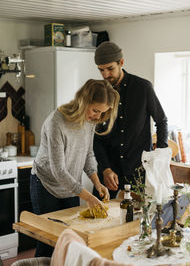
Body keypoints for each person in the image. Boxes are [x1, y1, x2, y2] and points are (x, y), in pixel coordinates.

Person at [30, 79, 119, 257]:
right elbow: (58, 171)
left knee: (69, 243)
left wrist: (97, 183)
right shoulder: (56, 122)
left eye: (102, 113)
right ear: (83, 100)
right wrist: (89, 197)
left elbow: (88, 154)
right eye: (95, 110)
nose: (97, 117)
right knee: (48, 244)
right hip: (46, 185)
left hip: (70, 188)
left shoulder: (89, 122)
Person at [93, 41, 168, 199]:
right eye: (101, 70)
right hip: (109, 175)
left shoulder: (143, 88)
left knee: (137, 220)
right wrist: (105, 168)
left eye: (110, 69)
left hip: (138, 174)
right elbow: (96, 138)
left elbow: (161, 121)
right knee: (100, 219)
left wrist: (158, 160)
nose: (106, 75)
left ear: (121, 62)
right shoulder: (100, 92)